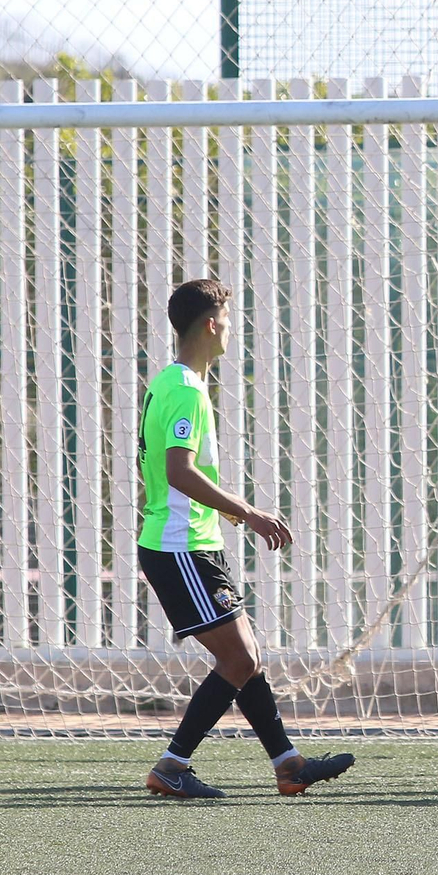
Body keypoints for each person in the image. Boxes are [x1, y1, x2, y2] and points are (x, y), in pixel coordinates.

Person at [139, 278, 354, 799]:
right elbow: (179, 472)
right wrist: (249, 513)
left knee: (247, 658)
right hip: (180, 544)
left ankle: (288, 764)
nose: (232, 330)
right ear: (212, 325)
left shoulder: (171, 383)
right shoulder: (187, 389)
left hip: (191, 543)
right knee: (239, 660)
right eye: (229, 320)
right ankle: (172, 765)